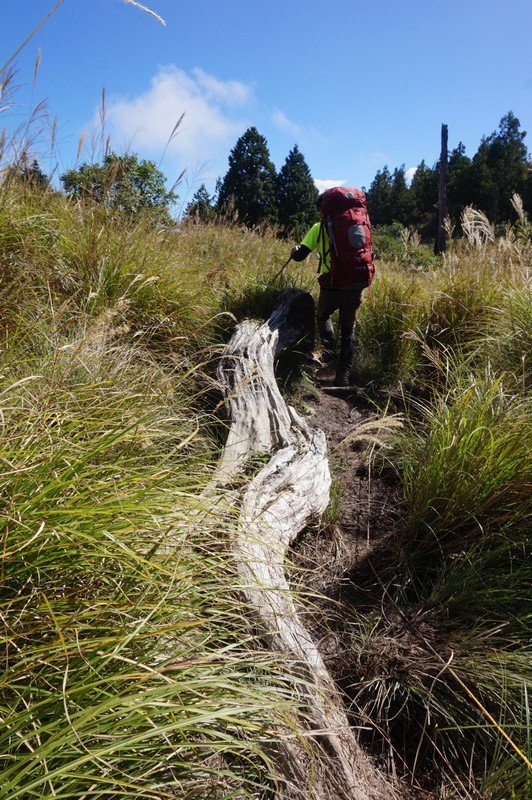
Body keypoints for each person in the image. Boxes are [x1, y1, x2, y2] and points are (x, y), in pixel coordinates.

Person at [290, 190, 373, 386]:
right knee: (348, 329)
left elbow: (300, 256)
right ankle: (342, 376)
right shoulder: (360, 223)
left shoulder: (319, 228)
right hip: (357, 283)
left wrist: (294, 251)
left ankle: (329, 354)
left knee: (323, 316)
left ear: (323, 209)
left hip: (333, 283)